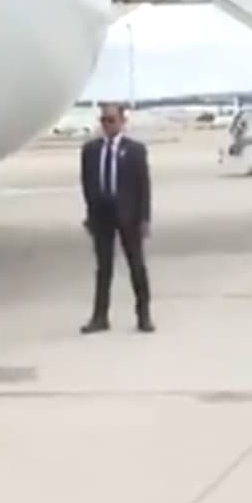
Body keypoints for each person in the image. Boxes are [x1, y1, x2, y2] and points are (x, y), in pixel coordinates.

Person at [80, 103, 154, 334]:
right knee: (103, 269)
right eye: (103, 120)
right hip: (102, 215)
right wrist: (90, 215)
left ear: (122, 122)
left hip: (128, 215)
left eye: (111, 120)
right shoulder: (91, 150)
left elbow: (144, 186)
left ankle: (143, 316)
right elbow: (87, 184)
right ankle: (100, 317)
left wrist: (144, 219)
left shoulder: (135, 150)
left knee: (136, 267)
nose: (107, 125)